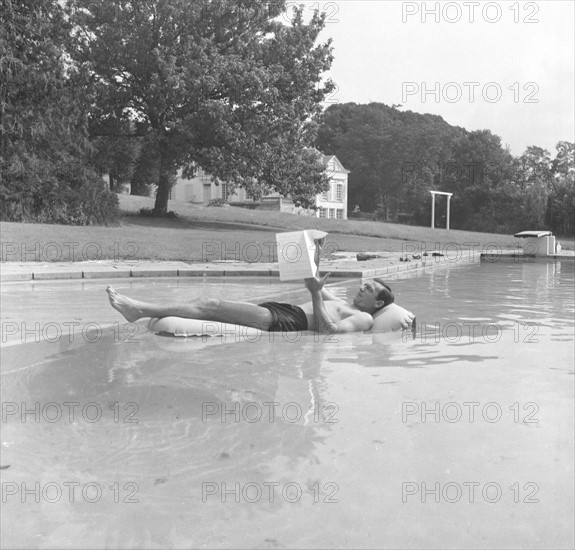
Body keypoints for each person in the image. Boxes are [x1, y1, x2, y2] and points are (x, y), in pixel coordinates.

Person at [106, 275, 402, 335]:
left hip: (288, 320)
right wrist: (312, 259)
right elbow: (318, 288)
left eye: (369, 289)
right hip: (284, 311)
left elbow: (329, 331)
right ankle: (141, 310)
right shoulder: (343, 303)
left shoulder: (364, 319)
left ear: (378, 302)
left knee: (211, 303)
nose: (362, 288)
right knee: (210, 303)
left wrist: (314, 293)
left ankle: (139, 309)